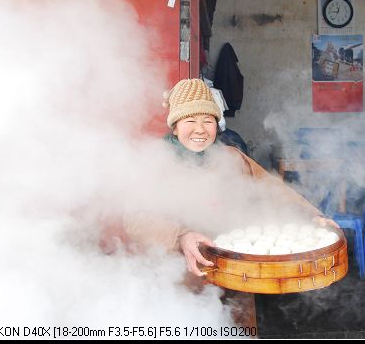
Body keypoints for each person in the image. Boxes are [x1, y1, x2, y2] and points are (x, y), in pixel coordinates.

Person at [121, 78, 337, 277]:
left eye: (208, 120)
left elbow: (271, 189)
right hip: (177, 276)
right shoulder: (156, 162)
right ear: (175, 128)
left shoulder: (231, 158)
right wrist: (181, 237)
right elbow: (134, 218)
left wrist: (310, 216)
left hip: (232, 271)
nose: (200, 129)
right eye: (190, 121)